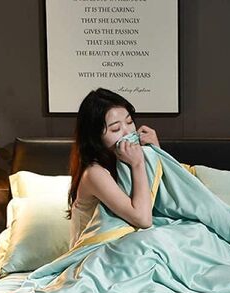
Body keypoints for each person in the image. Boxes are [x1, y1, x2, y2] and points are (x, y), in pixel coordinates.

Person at [68, 88, 161, 247]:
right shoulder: (94, 173)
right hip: (94, 252)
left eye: (130, 122)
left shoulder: (125, 160)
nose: (127, 132)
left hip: (125, 244)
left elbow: (161, 202)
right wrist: (138, 164)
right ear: (96, 137)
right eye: (115, 129)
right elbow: (143, 219)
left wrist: (155, 152)